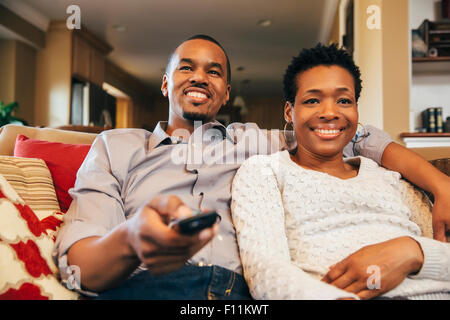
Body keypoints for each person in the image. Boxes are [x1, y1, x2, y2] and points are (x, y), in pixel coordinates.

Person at [54, 35, 450, 299]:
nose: (199, 77)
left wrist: (441, 185)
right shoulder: (115, 147)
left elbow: (355, 134)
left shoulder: (256, 142)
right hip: (150, 287)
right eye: (186, 67)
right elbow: (79, 267)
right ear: (164, 84)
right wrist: (132, 238)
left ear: (226, 93)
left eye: (214, 71)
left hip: (240, 294)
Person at [231, 43, 450, 300]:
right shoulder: (264, 172)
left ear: (356, 109)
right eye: (313, 100)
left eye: (344, 100)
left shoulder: (392, 179)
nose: (330, 113)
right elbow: (267, 274)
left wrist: (413, 252)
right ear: (290, 111)